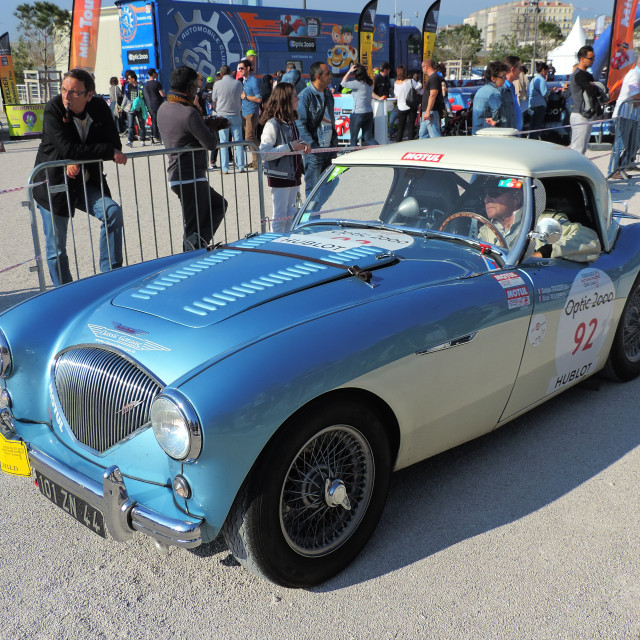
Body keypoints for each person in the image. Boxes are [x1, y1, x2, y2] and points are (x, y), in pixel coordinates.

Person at [33, 69, 127, 286]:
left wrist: (80, 155)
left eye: (74, 92)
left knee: (112, 211)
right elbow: (67, 148)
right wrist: (101, 152)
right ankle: (65, 292)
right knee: (56, 249)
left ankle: (110, 278)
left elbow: (115, 144)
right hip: (53, 184)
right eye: (64, 89)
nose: (66, 95)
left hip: (86, 182)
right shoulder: (54, 108)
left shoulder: (99, 107)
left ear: (89, 95)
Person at [157, 66, 229, 251]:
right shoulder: (189, 112)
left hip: (178, 175)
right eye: (195, 87)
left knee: (217, 206)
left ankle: (197, 244)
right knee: (193, 227)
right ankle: (191, 255)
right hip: (191, 176)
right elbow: (211, 144)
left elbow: (183, 131)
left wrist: (203, 123)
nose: (197, 90)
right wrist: (210, 126)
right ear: (189, 89)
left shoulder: (164, 107)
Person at [477, 178, 600, 261]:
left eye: (493, 193)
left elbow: (589, 238)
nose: (486, 199)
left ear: (516, 197)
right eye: (485, 195)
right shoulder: (486, 230)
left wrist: (545, 252)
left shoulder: (544, 221)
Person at [259, 82, 310, 233]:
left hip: (294, 175)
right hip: (280, 176)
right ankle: (277, 245)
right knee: (280, 216)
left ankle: (289, 243)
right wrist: (291, 147)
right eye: (295, 96)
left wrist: (303, 145)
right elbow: (264, 153)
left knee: (292, 215)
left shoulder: (291, 122)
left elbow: (292, 144)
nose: (298, 100)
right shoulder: (272, 124)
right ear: (286, 100)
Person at [296, 61, 338, 198]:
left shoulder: (328, 95)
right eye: (328, 74)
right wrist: (311, 145)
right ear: (319, 76)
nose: (331, 76)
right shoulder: (305, 96)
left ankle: (316, 212)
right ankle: (311, 217)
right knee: (313, 189)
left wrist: (334, 143)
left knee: (333, 181)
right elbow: (300, 123)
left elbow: (330, 120)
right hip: (314, 149)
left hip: (329, 148)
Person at [210, 65, 245, 175]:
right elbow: (241, 95)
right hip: (235, 113)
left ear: (221, 74)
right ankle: (241, 166)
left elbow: (214, 99)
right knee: (239, 141)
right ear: (230, 72)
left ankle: (225, 168)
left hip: (222, 115)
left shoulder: (217, 84)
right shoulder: (238, 83)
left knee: (224, 142)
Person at [611, 55, 640, 176]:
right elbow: (635, 95)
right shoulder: (634, 74)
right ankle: (613, 170)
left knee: (635, 143)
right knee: (620, 144)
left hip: (632, 115)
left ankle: (625, 164)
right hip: (624, 115)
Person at [569, 46, 601, 154]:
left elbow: (594, 89)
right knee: (577, 150)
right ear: (582, 59)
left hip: (586, 115)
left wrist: (594, 87)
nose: (593, 61)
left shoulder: (587, 75)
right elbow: (593, 90)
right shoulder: (579, 75)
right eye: (591, 58)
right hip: (580, 115)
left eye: (594, 58)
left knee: (581, 149)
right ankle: (573, 170)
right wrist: (594, 87)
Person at [340, 63, 379, 147]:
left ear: (356, 73)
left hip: (358, 112)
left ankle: (352, 157)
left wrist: (349, 71)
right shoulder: (369, 83)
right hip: (369, 112)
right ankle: (380, 150)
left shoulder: (357, 83)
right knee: (369, 138)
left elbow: (342, 83)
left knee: (353, 138)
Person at [472, 61, 509, 134]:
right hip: (489, 134)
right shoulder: (494, 93)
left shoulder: (481, 90)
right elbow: (498, 118)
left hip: (477, 132)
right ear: (493, 78)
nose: (505, 79)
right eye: (503, 76)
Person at [239, 60, 263, 169]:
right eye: (239, 69)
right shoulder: (245, 81)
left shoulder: (254, 81)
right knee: (251, 137)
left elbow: (259, 98)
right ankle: (256, 160)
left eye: (241, 68)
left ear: (248, 68)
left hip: (251, 113)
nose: (239, 71)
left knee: (249, 137)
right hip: (245, 112)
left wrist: (246, 97)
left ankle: (257, 160)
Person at [394, 65, 421, 142]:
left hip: (401, 106)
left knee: (401, 126)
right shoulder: (410, 81)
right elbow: (419, 86)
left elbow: (396, 94)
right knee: (411, 125)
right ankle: (410, 141)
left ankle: (398, 141)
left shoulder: (396, 83)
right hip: (411, 105)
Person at [419, 58, 444, 139]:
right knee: (422, 135)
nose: (422, 69)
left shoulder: (434, 78)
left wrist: (428, 111)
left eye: (422, 67)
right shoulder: (433, 78)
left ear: (426, 67)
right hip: (427, 111)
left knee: (434, 135)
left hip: (431, 111)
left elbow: (433, 95)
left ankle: (437, 150)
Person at [122, 70, 147, 147]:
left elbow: (145, 96)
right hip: (130, 108)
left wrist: (148, 107)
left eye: (129, 79)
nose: (128, 80)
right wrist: (122, 106)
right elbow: (126, 97)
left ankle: (142, 140)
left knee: (141, 124)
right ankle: (130, 140)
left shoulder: (141, 86)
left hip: (139, 107)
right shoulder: (127, 86)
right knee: (130, 125)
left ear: (133, 79)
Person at [142, 68, 166, 144]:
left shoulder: (146, 84)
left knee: (153, 120)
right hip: (158, 103)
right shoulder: (157, 83)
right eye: (155, 73)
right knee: (160, 120)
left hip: (150, 104)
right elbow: (162, 94)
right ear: (153, 74)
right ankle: (157, 135)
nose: (156, 74)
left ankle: (153, 135)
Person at [528, 62, 550, 140]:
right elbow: (544, 93)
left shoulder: (533, 79)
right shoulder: (541, 79)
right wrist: (551, 91)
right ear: (543, 70)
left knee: (532, 125)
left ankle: (530, 139)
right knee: (538, 125)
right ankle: (535, 140)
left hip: (531, 104)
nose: (547, 73)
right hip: (539, 105)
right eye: (547, 71)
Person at [501, 55, 523, 131]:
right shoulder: (503, 89)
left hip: (515, 132)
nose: (521, 71)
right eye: (520, 68)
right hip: (508, 133)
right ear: (513, 69)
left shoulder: (511, 87)